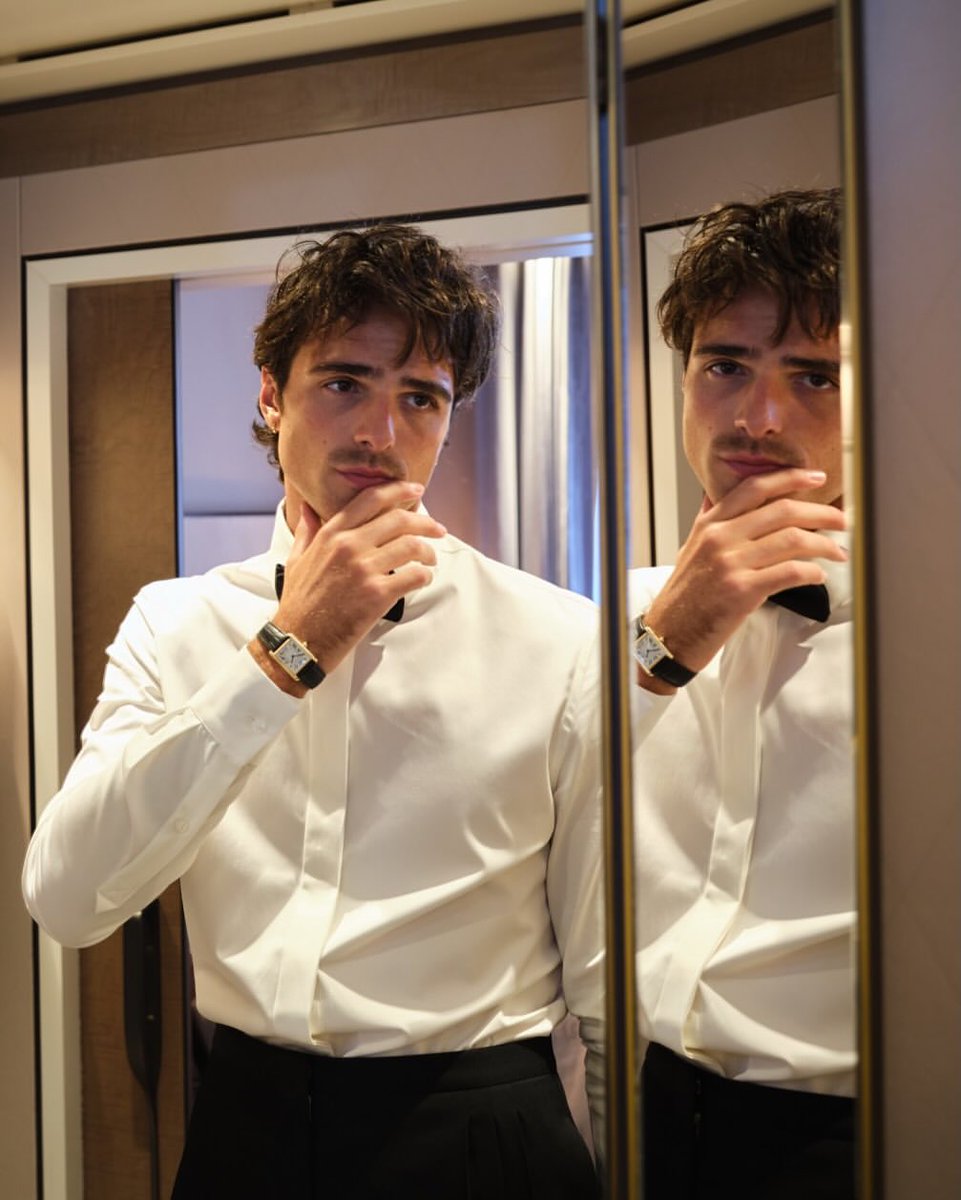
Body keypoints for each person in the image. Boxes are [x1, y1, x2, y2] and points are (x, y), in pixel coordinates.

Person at [23, 224, 604, 1199]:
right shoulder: (174, 622)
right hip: (244, 1128)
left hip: (485, 1131)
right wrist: (282, 658)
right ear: (270, 392)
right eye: (343, 382)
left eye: (419, 397)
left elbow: (601, 977)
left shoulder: (558, 638)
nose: (381, 432)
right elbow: (68, 897)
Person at [629, 189, 856, 1198]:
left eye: (814, 376)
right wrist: (659, 650)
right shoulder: (613, 624)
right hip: (652, 1114)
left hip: (855, 1134)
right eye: (724, 366)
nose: (758, 419)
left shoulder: (929, 637)